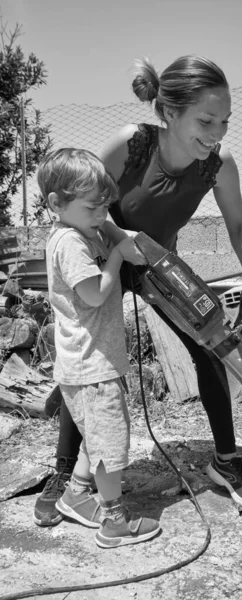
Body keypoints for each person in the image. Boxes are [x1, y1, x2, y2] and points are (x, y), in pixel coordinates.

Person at [34, 55, 242, 528]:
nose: (217, 132)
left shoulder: (218, 165)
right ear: (169, 112)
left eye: (224, 121)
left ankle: (224, 459)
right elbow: (83, 201)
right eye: (205, 120)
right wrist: (123, 246)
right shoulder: (133, 145)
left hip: (158, 265)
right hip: (105, 256)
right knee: (89, 361)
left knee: (209, 347)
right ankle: (66, 476)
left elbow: (239, 223)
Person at [35, 148, 161, 548]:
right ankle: (114, 522)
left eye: (106, 205)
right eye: (93, 206)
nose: (102, 214)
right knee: (109, 446)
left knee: (98, 436)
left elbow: (123, 240)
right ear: (57, 204)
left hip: (97, 360)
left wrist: (116, 236)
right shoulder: (69, 243)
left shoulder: (91, 228)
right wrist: (116, 259)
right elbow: (92, 295)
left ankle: (75, 495)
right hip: (90, 365)